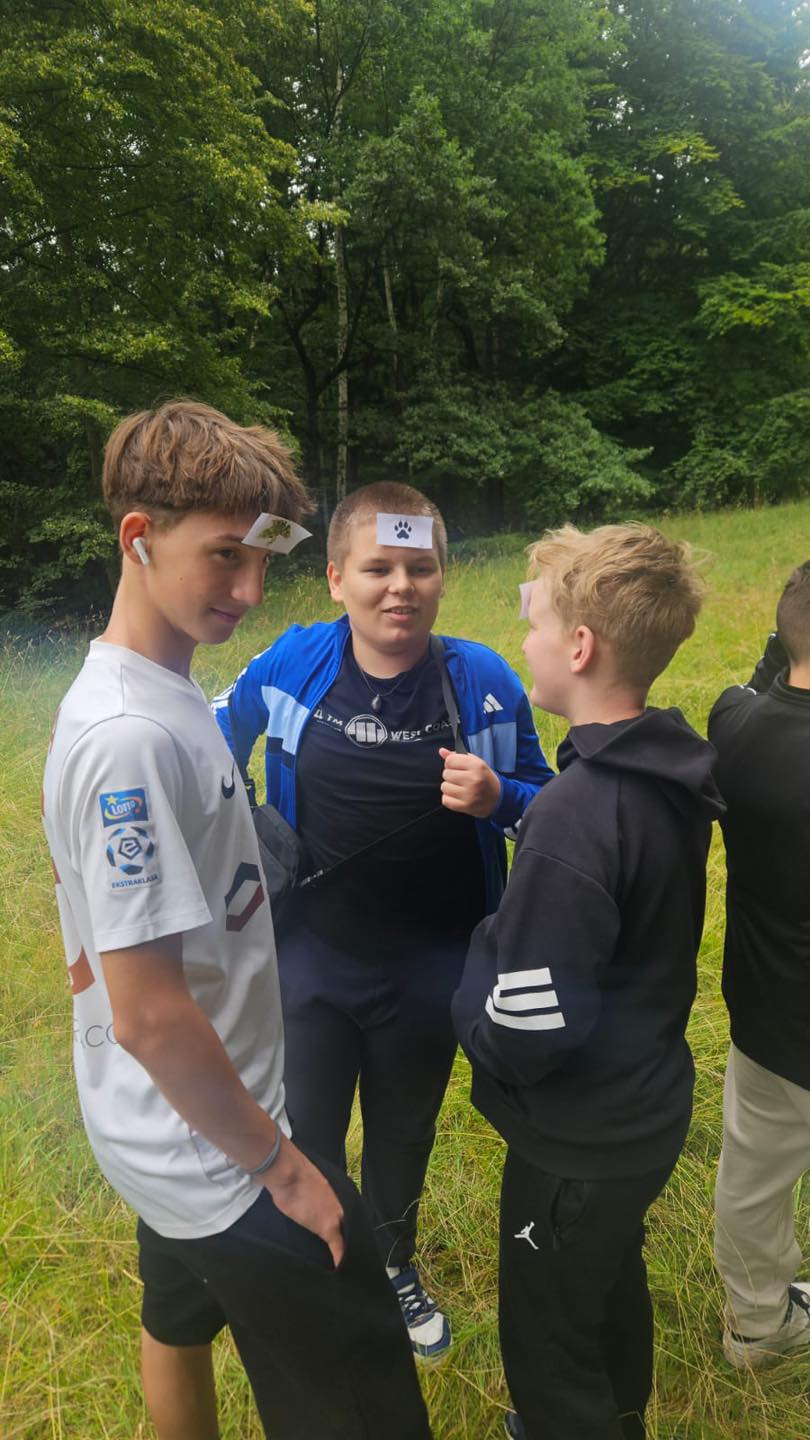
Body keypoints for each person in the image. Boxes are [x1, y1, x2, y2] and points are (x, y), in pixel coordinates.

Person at [41, 402, 433, 1440]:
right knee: (358, 1395)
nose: (252, 590)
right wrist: (283, 1170)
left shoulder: (163, 685)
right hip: (219, 1153)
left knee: (175, 1320)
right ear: (139, 537)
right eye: (225, 556)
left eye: (263, 558)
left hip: (166, 1129)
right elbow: (149, 1016)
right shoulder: (128, 739)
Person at [214, 480, 552, 1359]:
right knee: (310, 1130)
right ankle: (323, 1272)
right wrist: (241, 830)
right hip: (312, 960)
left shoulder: (482, 681)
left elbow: (553, 807)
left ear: (443, 577)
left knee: (404, 1134)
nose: (400, 587)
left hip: (434, 968)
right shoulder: (292, 663)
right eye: (377, 568)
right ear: (336, 578)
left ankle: (393, 1266)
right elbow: (208, 739)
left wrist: (500, 797)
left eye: (420, 567)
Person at [453, 522, 723, 1440]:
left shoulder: (575, 814)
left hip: (577, 1142)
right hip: (643, 1112)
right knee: (604, 1281)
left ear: (578, 646)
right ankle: (622, 1414)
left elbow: (533, 1021)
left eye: (532, 623)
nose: (522, 639)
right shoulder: (661, 769)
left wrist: (473, 997)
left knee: (549, 1335)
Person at [710, 563, 810, 1369]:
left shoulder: (732, 725)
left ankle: (756, 1323)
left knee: (753, 1173)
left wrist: (780, 650)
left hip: (771, 1012)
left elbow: (754, 688)